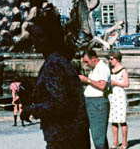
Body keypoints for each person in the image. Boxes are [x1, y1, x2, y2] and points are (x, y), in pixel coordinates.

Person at [20, 11, 90, 149]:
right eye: (34, 36)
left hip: (64, 137)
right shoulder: (60, 60)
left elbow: (59, 103)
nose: (35, 40)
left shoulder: (54, 64)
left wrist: (30, 109)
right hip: (72, 135)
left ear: (51, 37)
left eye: (40, 36)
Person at [79, 48, 110, 149]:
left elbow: (102, 86)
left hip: (98, 103)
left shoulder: (102, 68)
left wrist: (86, 80)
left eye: (87, 62)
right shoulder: (95, 68)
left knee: (98, 138)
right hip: (92, 103)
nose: (86, 64)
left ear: (94, 59)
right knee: (98, 136)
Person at [108, 51, 129, 149]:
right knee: (113, 120)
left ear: (117, 59)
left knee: (121, 120)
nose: (110, 61)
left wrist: (116, 83)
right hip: (112, 96)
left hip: (120, 96)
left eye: (112, 59)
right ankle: (115, 141)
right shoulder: (111, 69)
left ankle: (124, 142)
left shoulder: (123, 70)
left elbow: (126, 83)